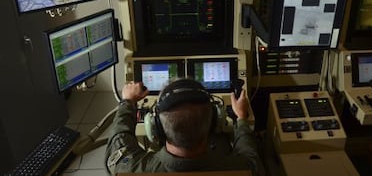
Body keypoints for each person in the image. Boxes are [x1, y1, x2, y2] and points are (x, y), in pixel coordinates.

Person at [105, 78, 264, 175]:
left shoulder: (128, 169)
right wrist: (242, 118)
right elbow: (249, 153)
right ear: (215, 122)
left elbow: (119, 138)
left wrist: (128, 102)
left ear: (155, 127)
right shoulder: (245, 169)